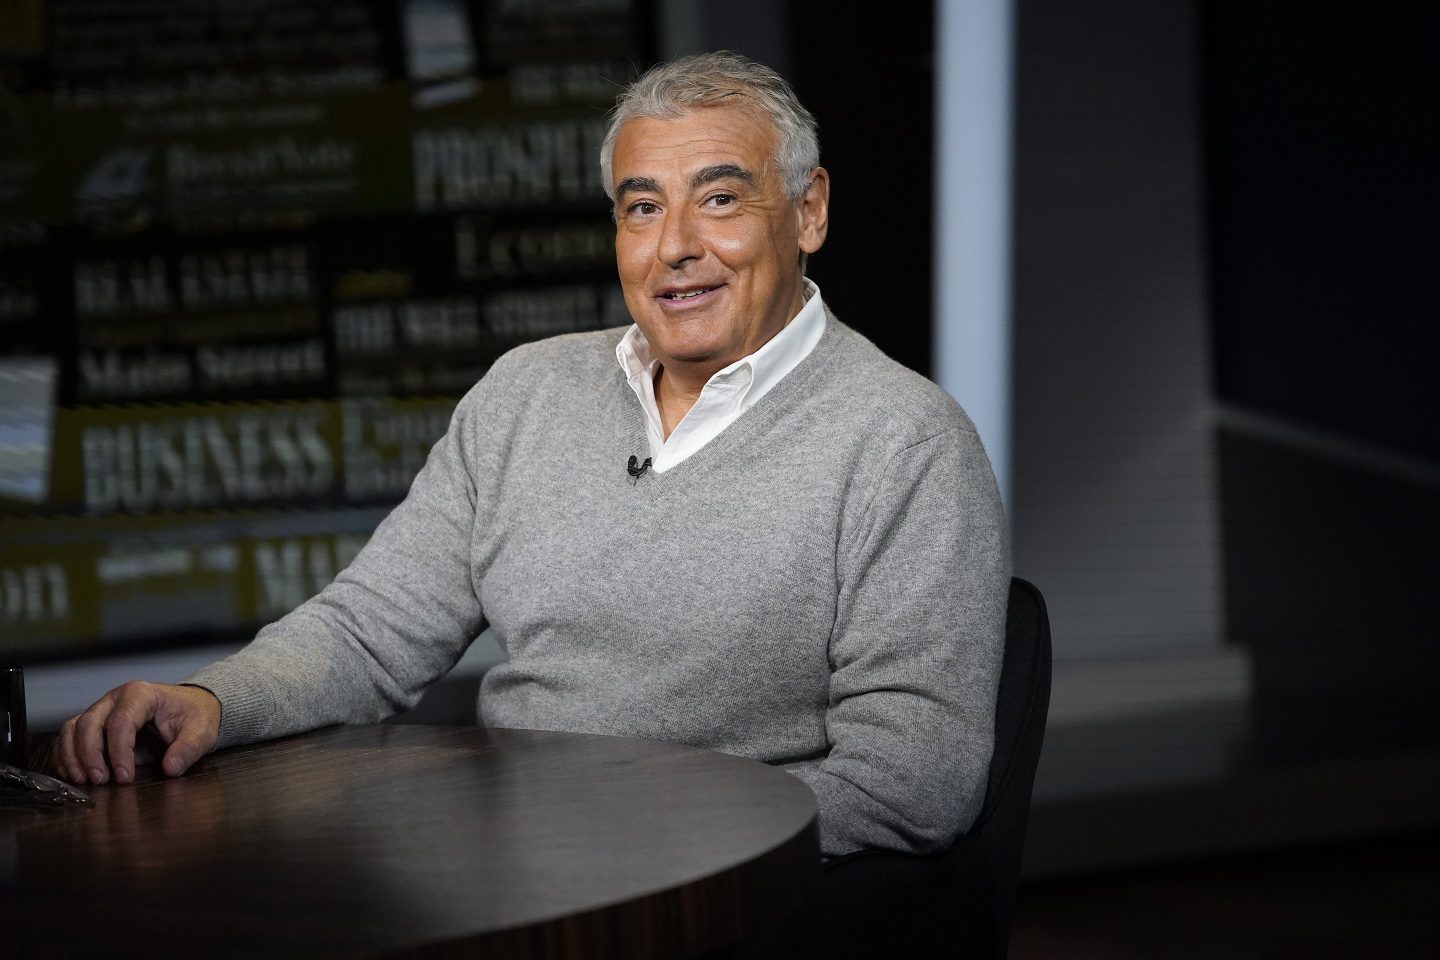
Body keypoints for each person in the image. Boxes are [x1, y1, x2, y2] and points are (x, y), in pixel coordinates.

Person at [51, 52, 1009, 858]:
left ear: (807, 213)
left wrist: (643, 839)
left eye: (719, 199)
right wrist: (212, 699)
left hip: (720, 901)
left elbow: (912, 782)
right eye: (641, 209)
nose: (675, 246)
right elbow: (370, 631)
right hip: (513, 866)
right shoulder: (526, 392)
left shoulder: (906, 442)